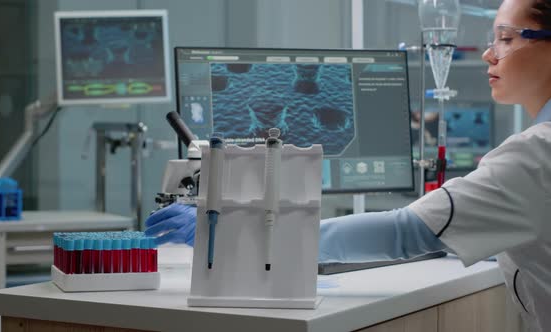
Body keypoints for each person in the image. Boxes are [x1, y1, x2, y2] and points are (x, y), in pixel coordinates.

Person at [145, 0, 551, 330]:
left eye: (505, 38)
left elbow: (405, 232)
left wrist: (235, 229)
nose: (487, 53)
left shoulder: (534, 153)